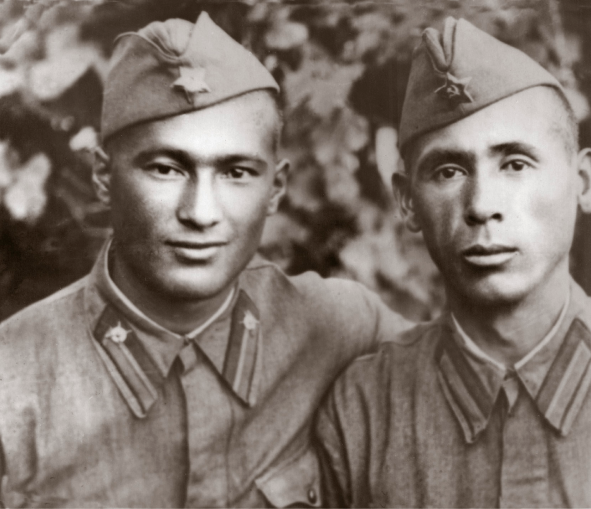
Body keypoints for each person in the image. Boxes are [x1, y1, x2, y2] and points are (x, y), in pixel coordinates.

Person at [0, 12, 409, 509]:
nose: (200, 212)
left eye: (236, 172)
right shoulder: (12, 381)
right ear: (104, 177)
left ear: (275, 188)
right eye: (166, 168)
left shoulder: (340, 325)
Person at [314, 16, 591, 508]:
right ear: (407, 202)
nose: (482, 205)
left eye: (515, 164)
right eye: (448, 171)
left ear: (584, 182)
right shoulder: (361, 413)